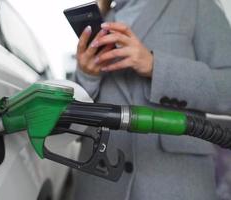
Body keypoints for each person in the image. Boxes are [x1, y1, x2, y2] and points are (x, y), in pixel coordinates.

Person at [73, 0, 231, 199]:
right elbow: (72, 116)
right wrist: (87, 76)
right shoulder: (99, 19)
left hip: (177, 184)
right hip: (99, 185)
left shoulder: (197, 5)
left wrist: (155, 66)